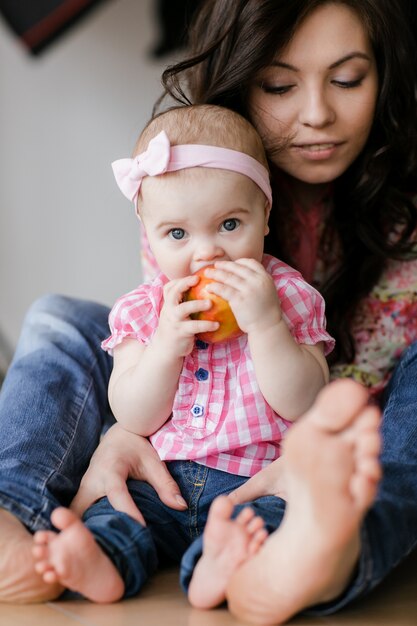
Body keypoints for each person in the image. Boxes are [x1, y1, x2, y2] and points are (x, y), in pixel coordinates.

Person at [0, 0, 414, 622]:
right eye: (279, 84)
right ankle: (14, 517)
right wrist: (122, 433)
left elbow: (337, 390)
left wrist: (301, 443)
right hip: (189, 429)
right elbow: (156, 371)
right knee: (58, 316)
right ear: (242, 81)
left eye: (348, 79)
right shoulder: (188, 178)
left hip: (350, 430)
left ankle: (329, 551)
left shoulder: (392, 206)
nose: (317, 114)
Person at [31, 103, 334, 603]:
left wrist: (265, 324)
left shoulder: (288, 297)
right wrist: (166, 347)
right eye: (177, 233)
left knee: (269, 528)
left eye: (229, 224)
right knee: (118, 514)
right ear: (148, 237)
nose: (206, 252)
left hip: (253, 485)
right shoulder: (145, 311)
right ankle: (100, 562)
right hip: (160, 481)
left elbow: (304, 401)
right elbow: (132, 413)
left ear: (265, 217)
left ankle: (226, 569)